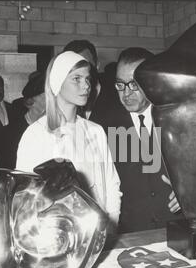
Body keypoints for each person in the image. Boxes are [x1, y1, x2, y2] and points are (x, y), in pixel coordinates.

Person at [16, 51, 122, 235]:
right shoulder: (36, 134)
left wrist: (111, 224)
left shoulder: (95, 131)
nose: (86, 85)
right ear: (57, 83)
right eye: (77, 79)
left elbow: (111, 183)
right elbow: (26, 198)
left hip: (98, 231)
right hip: (57, 235)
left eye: (87, 79)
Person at [105, 47, 182, 233]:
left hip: (177, 228)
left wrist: (189, 194)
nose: (126, 93)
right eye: (120, 85)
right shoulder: (104, 128)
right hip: (130, 236)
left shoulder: (178, 120)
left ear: (152, 82)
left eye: (134, 84)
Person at [63, 40, 100, 119]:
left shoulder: (118, 98)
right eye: (74, 66)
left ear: (97, 65)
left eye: (85, 64)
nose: (80, 70)